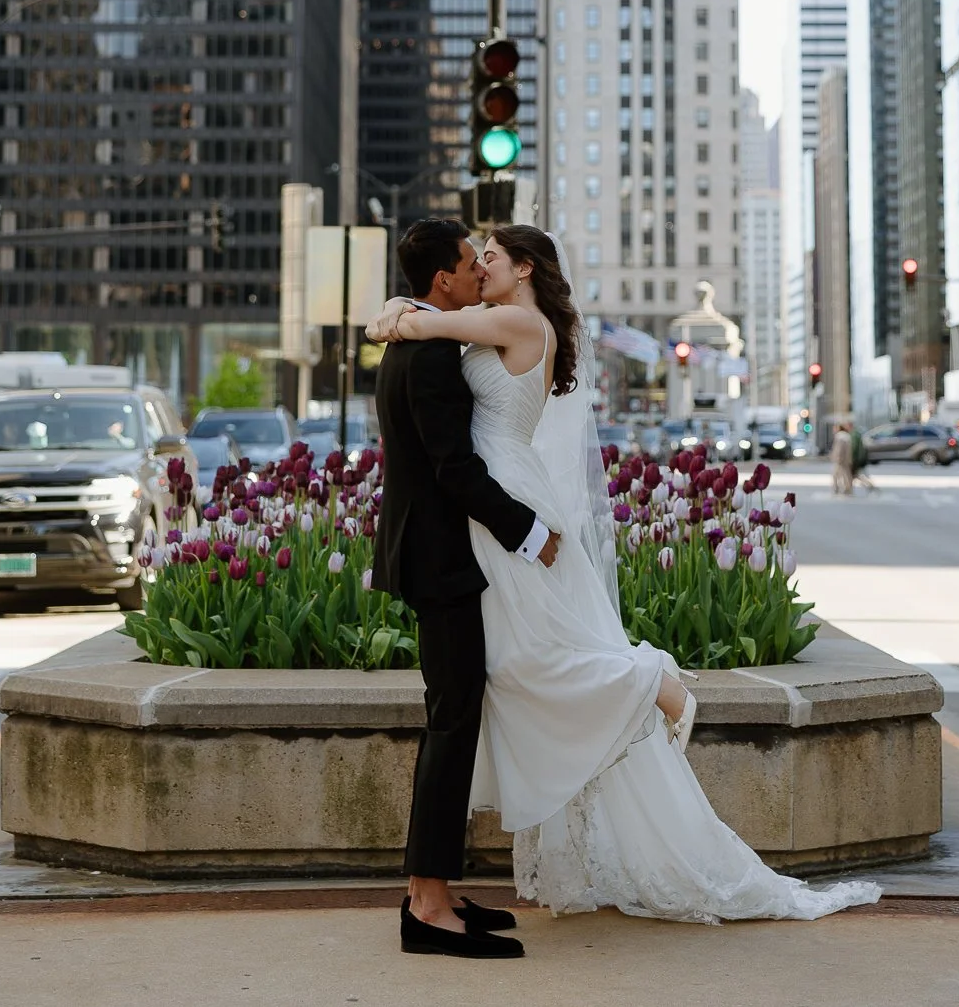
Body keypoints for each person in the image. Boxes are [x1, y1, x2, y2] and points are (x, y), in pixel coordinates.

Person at [368, 224, 880, 925]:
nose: (480, 266)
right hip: (491, 508)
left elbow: (425, 322)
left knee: (524, 659)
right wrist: (399, 316)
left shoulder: (514, 319)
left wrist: (398, 317)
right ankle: (432, 889)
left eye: (489, 257)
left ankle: (648, 681)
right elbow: (422, 324)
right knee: (511, 665)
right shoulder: (481, 325)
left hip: (505, 502)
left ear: (523, 269)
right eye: (471, 258)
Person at [373, 217, 558, 962]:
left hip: (433, 553)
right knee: (450, 724)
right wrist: (527, 530)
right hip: (440, 555)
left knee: (452, 719)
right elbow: (454, 470)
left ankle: (438, 892)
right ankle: (425, 904)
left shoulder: (420, 339)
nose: (474, 271)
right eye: (465, 262)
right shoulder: (429, 358)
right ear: (443, 281)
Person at [830, 419, 853, 495]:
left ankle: (838, 488)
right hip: (846, 459)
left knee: (837, 474)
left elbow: (839, 449)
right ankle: (846, 488)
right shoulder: (847, 436)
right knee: (846, 474)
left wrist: (837, 457)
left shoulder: (840, 436)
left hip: (840, 459)